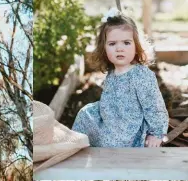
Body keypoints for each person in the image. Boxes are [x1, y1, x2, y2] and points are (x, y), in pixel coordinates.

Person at [72, 10, 168, 148]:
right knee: (85, 114)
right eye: (112, 44)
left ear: (136, 46)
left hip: (128, 128)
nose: (119, 48)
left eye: (126, 43)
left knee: (112, 143)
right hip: (109, 119)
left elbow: (154, 106)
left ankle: (102, 153)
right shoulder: (112, 72)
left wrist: (156, 133)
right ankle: (75, 145)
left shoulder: (141, 75)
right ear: (104, 49)